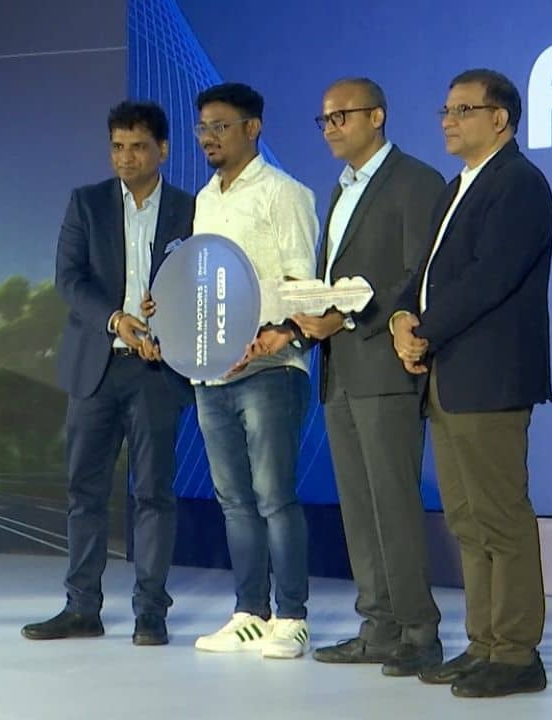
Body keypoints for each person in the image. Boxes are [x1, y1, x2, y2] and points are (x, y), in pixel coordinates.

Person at [390, 69, 552, 698]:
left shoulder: (519, 183)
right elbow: (424, 273)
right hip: (449, 376)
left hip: (489, 376)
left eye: (463, 110)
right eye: (446, 110)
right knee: (467, 519)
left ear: (500, 119)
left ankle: (516, 655)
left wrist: (425, 331)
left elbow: (490, 278)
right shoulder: (457, 186)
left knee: (500, 517)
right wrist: (402, 319)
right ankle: (483, 644)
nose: (448, 121)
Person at [22, 101, 194, 647]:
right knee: (85, 491)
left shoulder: (190, 210)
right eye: (117, 147)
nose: (125, 157)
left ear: (162, 149)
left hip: (156, 372)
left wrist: (169, 322)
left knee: (154, 494)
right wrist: (116, 318)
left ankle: (151, 612)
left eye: (138, 147)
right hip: (95, 365)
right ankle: (82, 608)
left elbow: (200, 285)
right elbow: (68, 279)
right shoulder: (87, 203)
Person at [293, 77, 445, 677]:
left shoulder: (415, 181)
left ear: (377, 116)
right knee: (359, 507)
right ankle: (378, 626)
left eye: (342, 116)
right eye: (324, 120)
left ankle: (419, 631)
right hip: (339, 369)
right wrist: (311, 316)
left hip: (385, 365)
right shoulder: (341, 188)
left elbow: (416, 276)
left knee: (393, 504)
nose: (331, 128)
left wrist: (347, 317)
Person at [184, 82, 319, 660]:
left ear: (253, 128)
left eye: (220, 126)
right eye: (202, 128)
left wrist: (275, 333)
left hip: (270, 367)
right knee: (234, 499)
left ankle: (292, 617)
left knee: (273, 497)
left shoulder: (285, 193)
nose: (208, 138)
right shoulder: (204, 199)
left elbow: (302, 282)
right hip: (211, 373)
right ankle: (249, 612)